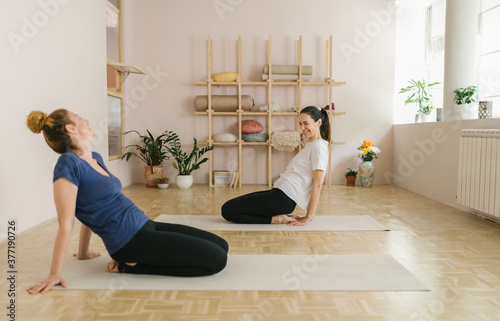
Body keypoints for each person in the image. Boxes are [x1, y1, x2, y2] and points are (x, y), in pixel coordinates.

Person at [26, 109, 228, 294]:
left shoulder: (95, 158)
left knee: (221, 245)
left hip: (145, 224)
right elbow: (67, 221)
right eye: (79, 118)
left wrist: (83, 252)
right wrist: (55, 274)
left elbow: (89, 207)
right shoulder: (67, 164)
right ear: (70, 128)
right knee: (216, 261)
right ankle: (129, 265)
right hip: (129, 241)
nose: (85, 120)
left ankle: (133, 259)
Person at [221, 106, 330, 226]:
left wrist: (309, 216)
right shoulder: (311, 145)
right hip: (279, 193)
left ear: (319, 122)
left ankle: (276, 219)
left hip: (284, 199)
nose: (302, 128)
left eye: (306, 123)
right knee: (231, 207)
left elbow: (318, 184)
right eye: (300, 124)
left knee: (228, 210)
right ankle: (275, 217)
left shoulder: (319, 147)